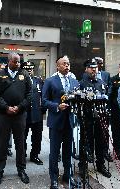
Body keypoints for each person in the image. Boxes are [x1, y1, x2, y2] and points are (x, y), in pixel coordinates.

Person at [0, 52, 32, 187]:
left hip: (20, 115)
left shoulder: (24, 75)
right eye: (15, 61)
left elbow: (29, 94)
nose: (18, 64)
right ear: (9, 61)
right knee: (1, 144)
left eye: (19, 61)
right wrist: (6, 107)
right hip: (3, 115)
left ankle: (21, 170)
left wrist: (19, 107)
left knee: (20, 144)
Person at [42, 55, 79, 189]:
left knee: (68, 152)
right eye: (64, 64)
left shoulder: (74, 82)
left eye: (68, 64)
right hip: (56, 121)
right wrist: (57, 106)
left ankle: (68, 176)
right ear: (57, 66)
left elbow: (77, 99)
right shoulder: (50, 81)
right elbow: (44, 101)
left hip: (70, 122)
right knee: (54, 152)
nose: (67, 66)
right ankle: (54, 178)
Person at [79, 59, 112, 178]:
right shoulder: (81, 83)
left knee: (101, 141)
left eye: (95, 68)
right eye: (91, 67)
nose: (94, 69)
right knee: (85, 142)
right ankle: (83, 167)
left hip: (100, 117)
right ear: (86, 69)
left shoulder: (101, 82)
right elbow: (80, 98)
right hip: (86, 117)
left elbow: (106, 97)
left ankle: (100, 165)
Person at [21, 61, 45, 165]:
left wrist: (43, 110)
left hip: (36, 114)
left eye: (31, 69)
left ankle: (34, 155)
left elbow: (43, 96)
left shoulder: (39, 81)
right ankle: (22, 155)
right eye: (27, 68)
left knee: (37, 137)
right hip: (23, 114)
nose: (29, 70)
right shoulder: (18, 81)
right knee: (22, 137)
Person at [94, 57, 112, 162]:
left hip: (104, 107)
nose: (100, 64)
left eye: (101, 63)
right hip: (92, 107)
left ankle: (105, 152)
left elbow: (110, 86)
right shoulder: (88, 75)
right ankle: (90, 152)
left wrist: (106, 95)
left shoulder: (106, 74)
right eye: (98, 63)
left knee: (105, 131)